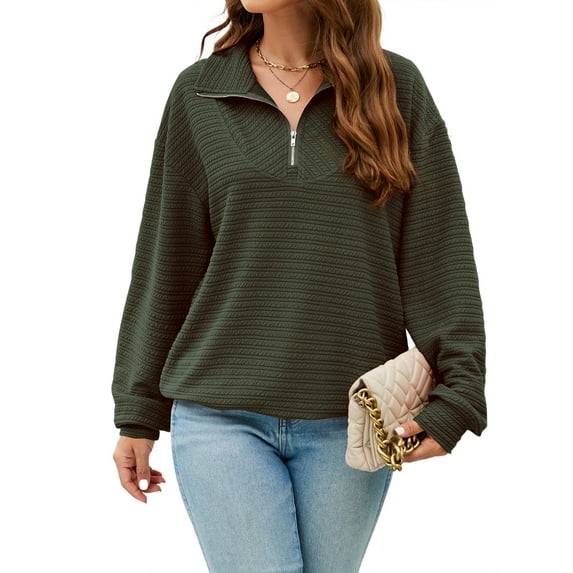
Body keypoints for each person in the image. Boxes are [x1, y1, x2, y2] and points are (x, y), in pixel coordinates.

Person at [112, 1, 487, 571]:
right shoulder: (200, 93)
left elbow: (438, 254)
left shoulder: (397, 89)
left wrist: (460, 394)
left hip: (351, 419)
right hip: (218, 414)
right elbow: (167, 259)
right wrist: (138, 411)